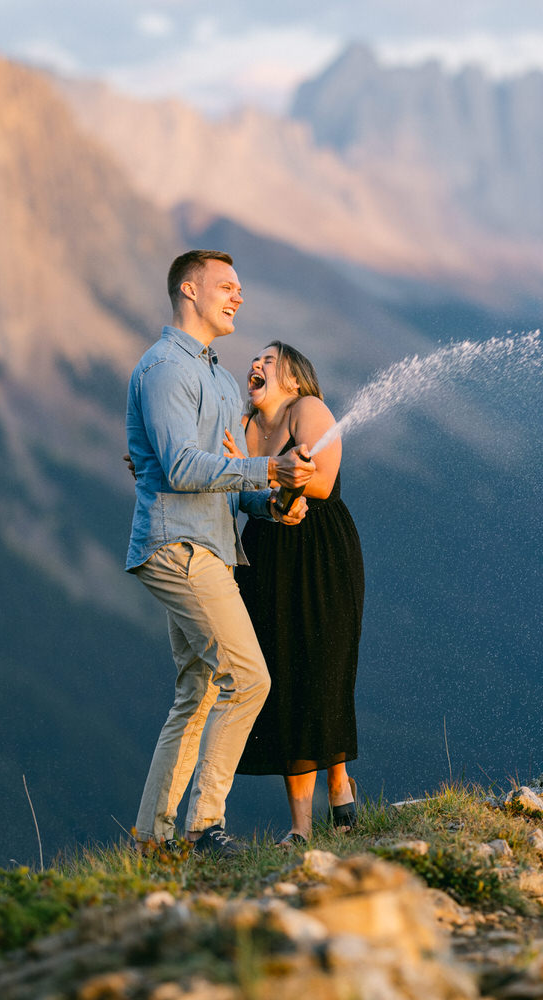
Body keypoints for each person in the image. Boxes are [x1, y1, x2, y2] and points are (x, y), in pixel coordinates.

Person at [125, 250, 316, 855]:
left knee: (198, 690)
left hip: (208, 541)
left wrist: (271, 503)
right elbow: (182, 468)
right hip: (176, 545)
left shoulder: (220, 377)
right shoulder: (163, 369)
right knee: (250, 679)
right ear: (189, 289)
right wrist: (270, 466)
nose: (238, 297)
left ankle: (150, 841)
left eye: (240, 288)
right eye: (226, 286)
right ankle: (205, 827)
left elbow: (223, 483)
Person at [228, 341, 365, 845]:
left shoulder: (308, 409)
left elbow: (324, 483)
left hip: (320, 549)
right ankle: (301, 829)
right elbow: (238, 491)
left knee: (323, 668)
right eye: (255, 359)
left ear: (294, 377)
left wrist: (275, 474)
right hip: (264, 553)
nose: (257, 364)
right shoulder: (243, 427)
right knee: (283, 676)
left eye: (270, 359)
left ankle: (338, 780)